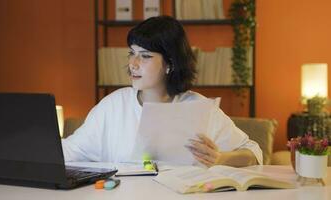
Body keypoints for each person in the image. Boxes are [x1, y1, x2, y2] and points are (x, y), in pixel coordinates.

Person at [62, 16, 262, 167]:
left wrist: (220, 158)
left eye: (145, 56)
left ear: (170, 64)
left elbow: (253, 153)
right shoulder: (113, 105)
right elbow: (70, 151)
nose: (133, 64)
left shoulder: (198, 108)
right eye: (132, 53)